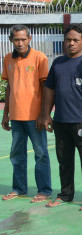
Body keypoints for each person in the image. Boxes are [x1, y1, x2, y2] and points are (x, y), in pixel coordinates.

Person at [41, 24, 82, 210]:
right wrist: (46, 115)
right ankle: (65, 194)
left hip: (81, 122)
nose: (71, 43)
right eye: (68, 40)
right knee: (64, 160)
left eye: (75, 40)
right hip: (60, 121)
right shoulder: (58, 63)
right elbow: (50, 89)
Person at [1, 25, 52, 202]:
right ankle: (19, 188)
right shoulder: (8, 58)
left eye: (23, 39)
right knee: (16, 154)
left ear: (29, 39)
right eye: (17, 39)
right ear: (11, 40)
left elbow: (46, 88)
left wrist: (44, 114)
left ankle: (44, 191)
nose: (20, 43)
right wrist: (5, 114)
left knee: (41, 154)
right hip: (16, 117)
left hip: (35, 118)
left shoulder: (40, 57)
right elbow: (9, 88)